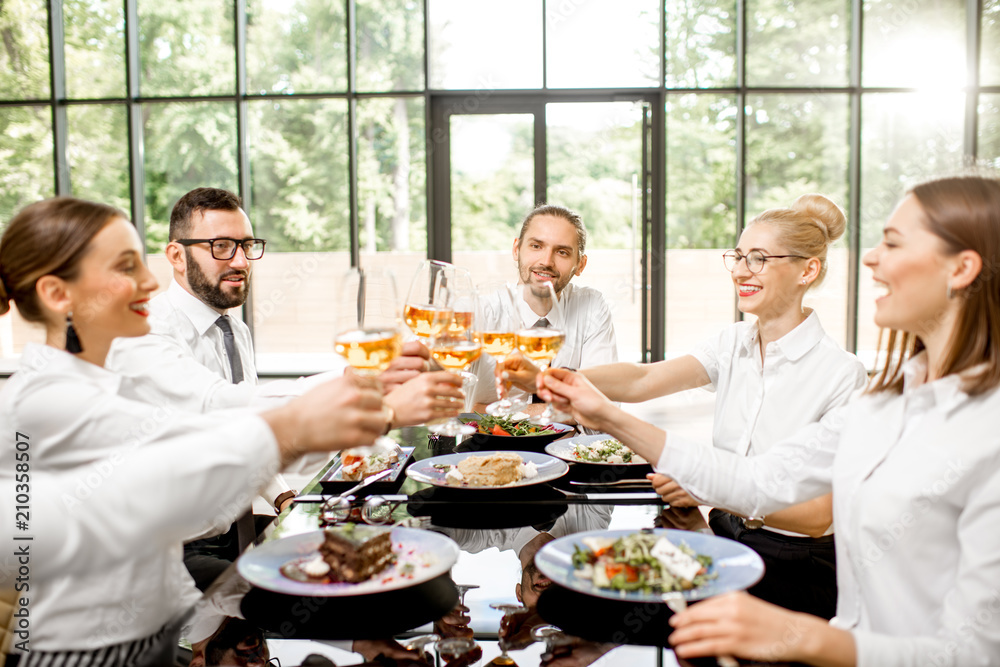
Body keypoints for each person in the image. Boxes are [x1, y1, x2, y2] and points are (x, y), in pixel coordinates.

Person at [539, 175, 1000, 665]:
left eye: (891, 242)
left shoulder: (968, 423)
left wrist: (800, 635)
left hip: (804, 582)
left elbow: (975, 651)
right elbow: (762, 479)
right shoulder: (894, 395)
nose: (869, 258)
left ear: (962, 268)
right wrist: (600, 410)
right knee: (571, 598)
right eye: (738, 256)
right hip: (768, 568)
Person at [0, 196, 388, 663]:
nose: (148, 282)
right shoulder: (48, 407)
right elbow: (214, 423)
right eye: (127, 267)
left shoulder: (91, 390)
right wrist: (358, 387)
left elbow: (175, 581)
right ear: (59, 295)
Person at [521, 195, 867, 618]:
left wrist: (704, 485)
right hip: (720, 535)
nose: (741, 270)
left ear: (807, 270)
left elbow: (815, 517)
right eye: (739, 256)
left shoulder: (842, 373)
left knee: (601, 611)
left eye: (758, 258)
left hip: (795, 564)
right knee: (571, 595)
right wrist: (557, 378)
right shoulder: (732, 343)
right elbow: (643, 379)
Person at [104, 188, 462, 586]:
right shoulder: (148, 330)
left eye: (246, 245)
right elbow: (219, 407)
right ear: (176, 255)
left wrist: (282, 498)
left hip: (234, 537)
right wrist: (355, 381)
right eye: (221, 246)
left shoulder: (234, 329)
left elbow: (252, 430)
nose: (240, 261)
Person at [471, 204, 618, 411]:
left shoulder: (592, 306)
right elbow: (450, 401)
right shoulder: (481, 308)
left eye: (562, 252)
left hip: (568, 445)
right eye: (536, 246)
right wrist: (568, 411)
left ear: (581, 265)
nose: (546, 262)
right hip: (487, 444)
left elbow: (605, 406)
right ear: (516, 249)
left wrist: (484, 409)